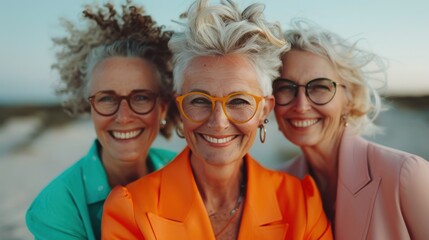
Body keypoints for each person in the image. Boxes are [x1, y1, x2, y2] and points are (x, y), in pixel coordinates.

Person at [102, 1, 333, 239]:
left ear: (264, 110)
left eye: (239, 101)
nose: (219, 122)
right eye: (200, 100)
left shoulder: (303, 205)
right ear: (179, 106)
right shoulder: (130, 209)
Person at [25, 2, 180, 240]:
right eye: (107, 98)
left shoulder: (186, 173)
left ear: (162, 108)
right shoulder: (56, 208)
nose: (124, 116)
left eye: (140, 97)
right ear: (90, 108)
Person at [273, 19, 429, 239]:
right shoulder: (276, 185)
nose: (300, 105)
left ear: (350, 98)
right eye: (285, 88)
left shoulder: (406, 175)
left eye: (319, 87)